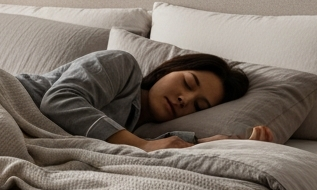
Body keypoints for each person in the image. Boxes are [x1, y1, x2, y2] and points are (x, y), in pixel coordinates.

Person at [15, 50, 274, 151]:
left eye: (199, 106)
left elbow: (147, 144)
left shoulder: (133, 127)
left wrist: (210, 142)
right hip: (1, 96)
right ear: (167, 70)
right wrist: (141, 144)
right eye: (187, 83)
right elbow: (59, 102)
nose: (185, 99)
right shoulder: (123, 67)